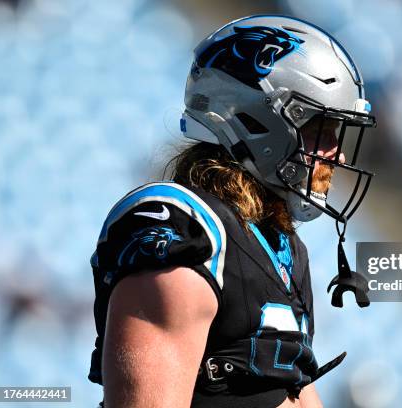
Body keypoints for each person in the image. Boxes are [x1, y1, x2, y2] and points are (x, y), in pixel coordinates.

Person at [88, 15, 376, 407]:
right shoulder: (188, 230)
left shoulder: (284, 250)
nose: (336, 153)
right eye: (321, 131)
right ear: (261, 121)